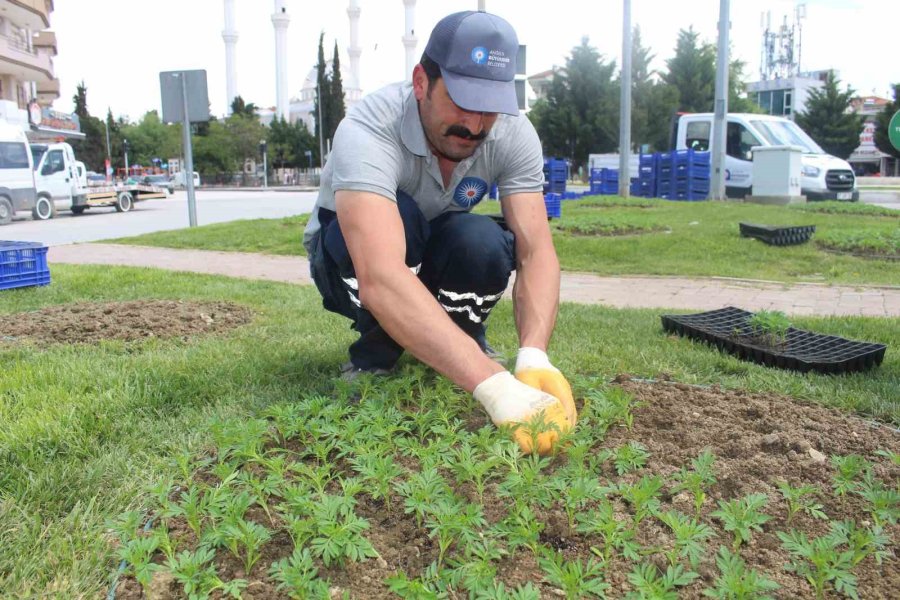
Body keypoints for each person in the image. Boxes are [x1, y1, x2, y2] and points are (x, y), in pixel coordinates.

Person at [303, 10, 576, 455]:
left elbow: (536, 254)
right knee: (403, 222)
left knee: (483, 241)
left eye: (490, 106)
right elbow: (381, 274)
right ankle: (375, 359)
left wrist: (533, 356)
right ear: (420, 83)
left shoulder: (511, 132)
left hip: (427, 249)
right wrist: (494, 386)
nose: (475, 124)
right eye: (462, 100)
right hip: (346, 261)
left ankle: (461, 341)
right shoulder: (369, 126)